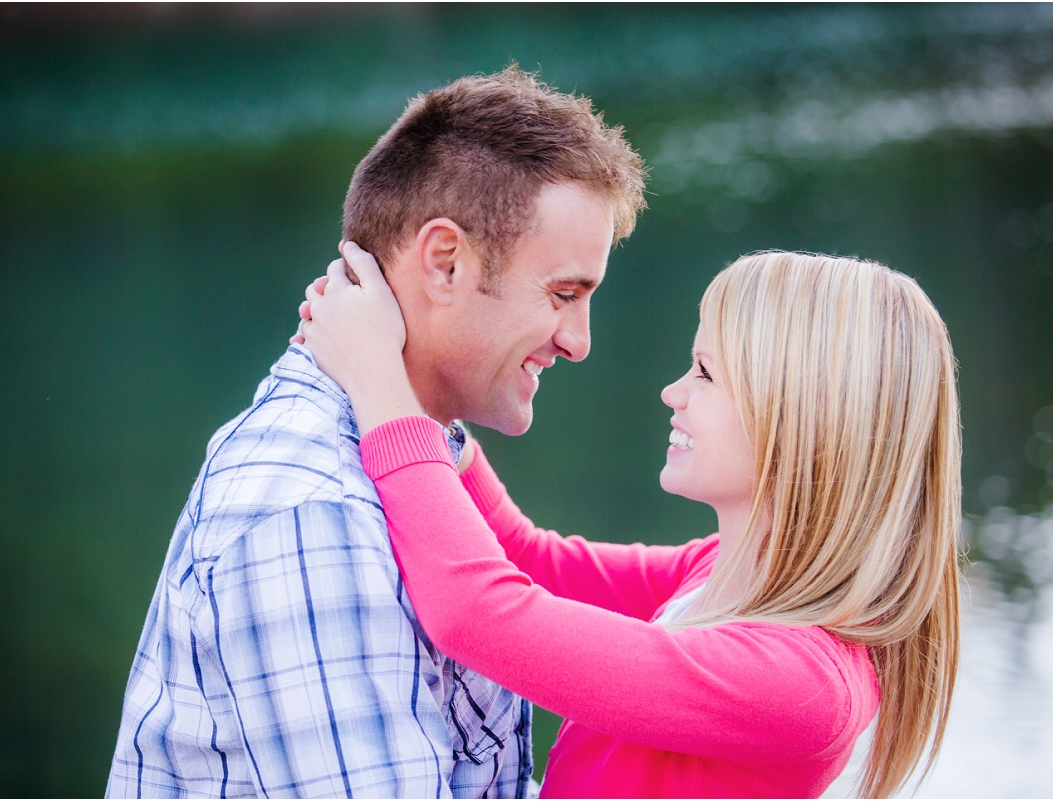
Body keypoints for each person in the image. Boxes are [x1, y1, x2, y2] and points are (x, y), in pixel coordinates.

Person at [106, 66, 646, 798]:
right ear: (444, 262)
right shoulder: (310, 514)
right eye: (563, 293)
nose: (579, 341)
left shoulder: (408, 461)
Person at [295, 246, 961, 798]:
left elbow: (478, 614)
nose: (674, 392)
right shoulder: (722, 572)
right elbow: (531, 559)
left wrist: (379, 384)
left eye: (705, 373)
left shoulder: (799, 685)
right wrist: (432, 404)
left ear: (800, 416)